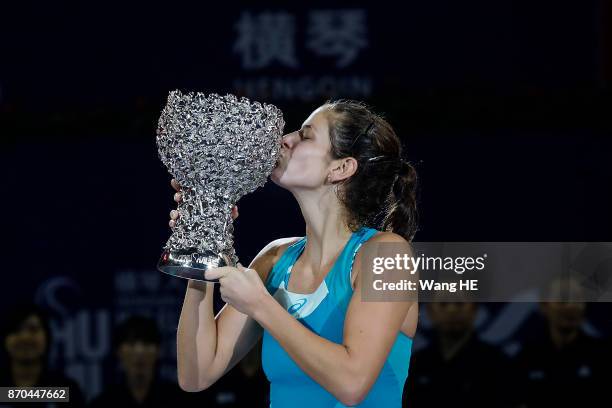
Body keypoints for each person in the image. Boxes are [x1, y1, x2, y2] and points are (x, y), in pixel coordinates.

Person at [172, 99, 419, 407]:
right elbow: (196, 374)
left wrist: (262, 305)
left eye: (305, 135)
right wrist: (203, 245)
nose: (285, 139)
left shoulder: (386, 255)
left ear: (341, 168)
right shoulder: (275, 257)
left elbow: (352, 382)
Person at [403, 301, 517, 408]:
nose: (452, 310)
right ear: (429, 311)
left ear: (474, 309)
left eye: (459, 304)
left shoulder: (498, 364)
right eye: (443, 304)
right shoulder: (416, 364)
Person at [89, 315, 192, 407]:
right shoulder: (103, 404)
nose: (139, 351)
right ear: (118, 351)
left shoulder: (178, 400)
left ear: (158, 350)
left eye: (147, 344)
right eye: (131, 343)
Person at [0, 303, 86, 408]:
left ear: (47, 337)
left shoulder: (65, 389)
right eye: (16, 330)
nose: (25, 337)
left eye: (33, 329)